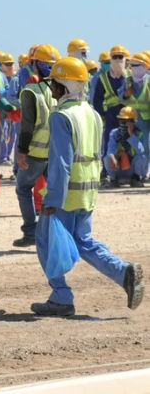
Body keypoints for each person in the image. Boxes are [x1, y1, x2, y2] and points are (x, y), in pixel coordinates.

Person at [31, 56, 144, 316]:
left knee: (45, 242)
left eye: (55, 84)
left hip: (66, 195)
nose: (52, 89)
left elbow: (61, 163)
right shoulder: (93, 115)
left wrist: (52, 201)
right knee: (83, 241)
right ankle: (122, 271)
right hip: (88, 192)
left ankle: (61, 296)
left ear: (65, 86)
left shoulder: (62, 116)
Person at [13, 45, 58, 247]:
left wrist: (22, 152)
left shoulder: (30, 92)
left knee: (23, 189)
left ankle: (31, 232)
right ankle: (52, 231)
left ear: (34, 65)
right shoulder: (59, 91)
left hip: (35, 152)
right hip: (55, 153)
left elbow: (27, 126)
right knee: (53, 192)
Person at [92, 45, 131, 187]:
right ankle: (107, 174)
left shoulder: (129, 77)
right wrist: (101, 115)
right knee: (109, 144)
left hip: (127, 118)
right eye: (115, 57)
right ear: (111, 59)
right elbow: (97, 100)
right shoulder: (103, 78)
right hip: (110, 117)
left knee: (128, 144)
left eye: (121, 57)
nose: (118, 60)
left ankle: (128, 174)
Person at [104, 106, 146, 187]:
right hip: (117, 168)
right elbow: (110, 150)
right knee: (107, 157)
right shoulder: (114, 133)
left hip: (132, 170)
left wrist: (131, 135)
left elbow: (141, 151)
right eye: (121, 120)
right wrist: (113, 158)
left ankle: (136, 179)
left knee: (143, 156)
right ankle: (113, 180)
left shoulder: (139, 133)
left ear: (133, 122)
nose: (123, 123)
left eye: (126, 121)